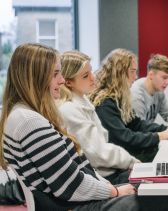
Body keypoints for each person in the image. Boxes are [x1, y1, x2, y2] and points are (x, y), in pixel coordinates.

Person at [0, 43, 138, 210]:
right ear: (36, 77)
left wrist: (110, 188)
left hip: (76, 199)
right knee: (154, 198)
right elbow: (70, 184)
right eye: (55, 74)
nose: (62, 80)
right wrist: (114, 191)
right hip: (72, 205)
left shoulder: (23, 114)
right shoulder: (30, 121)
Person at [90, 49, 168, 162]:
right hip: (119, 160)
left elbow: (137, 124)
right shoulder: (104, 103)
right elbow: (125, 138)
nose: (135, 76)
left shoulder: (118, 98)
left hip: (127, 152)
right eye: (132, 71)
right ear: (120, 73)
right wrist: (161, 136)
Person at [58, 50, 139, 184]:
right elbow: (97, 153)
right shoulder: (69, 110)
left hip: (108, 171)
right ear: (68, 82)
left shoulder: (83, 100)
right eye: (85, 75)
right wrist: (132, 162)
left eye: (91, 71)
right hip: (102, 179)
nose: (93, 77)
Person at [131, 54, 168, 126]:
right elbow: (139, 129)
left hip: (146, 135)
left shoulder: (159, 92)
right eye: (164, 78)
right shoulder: (136, 95)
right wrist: (166, 132)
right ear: (151, 75)